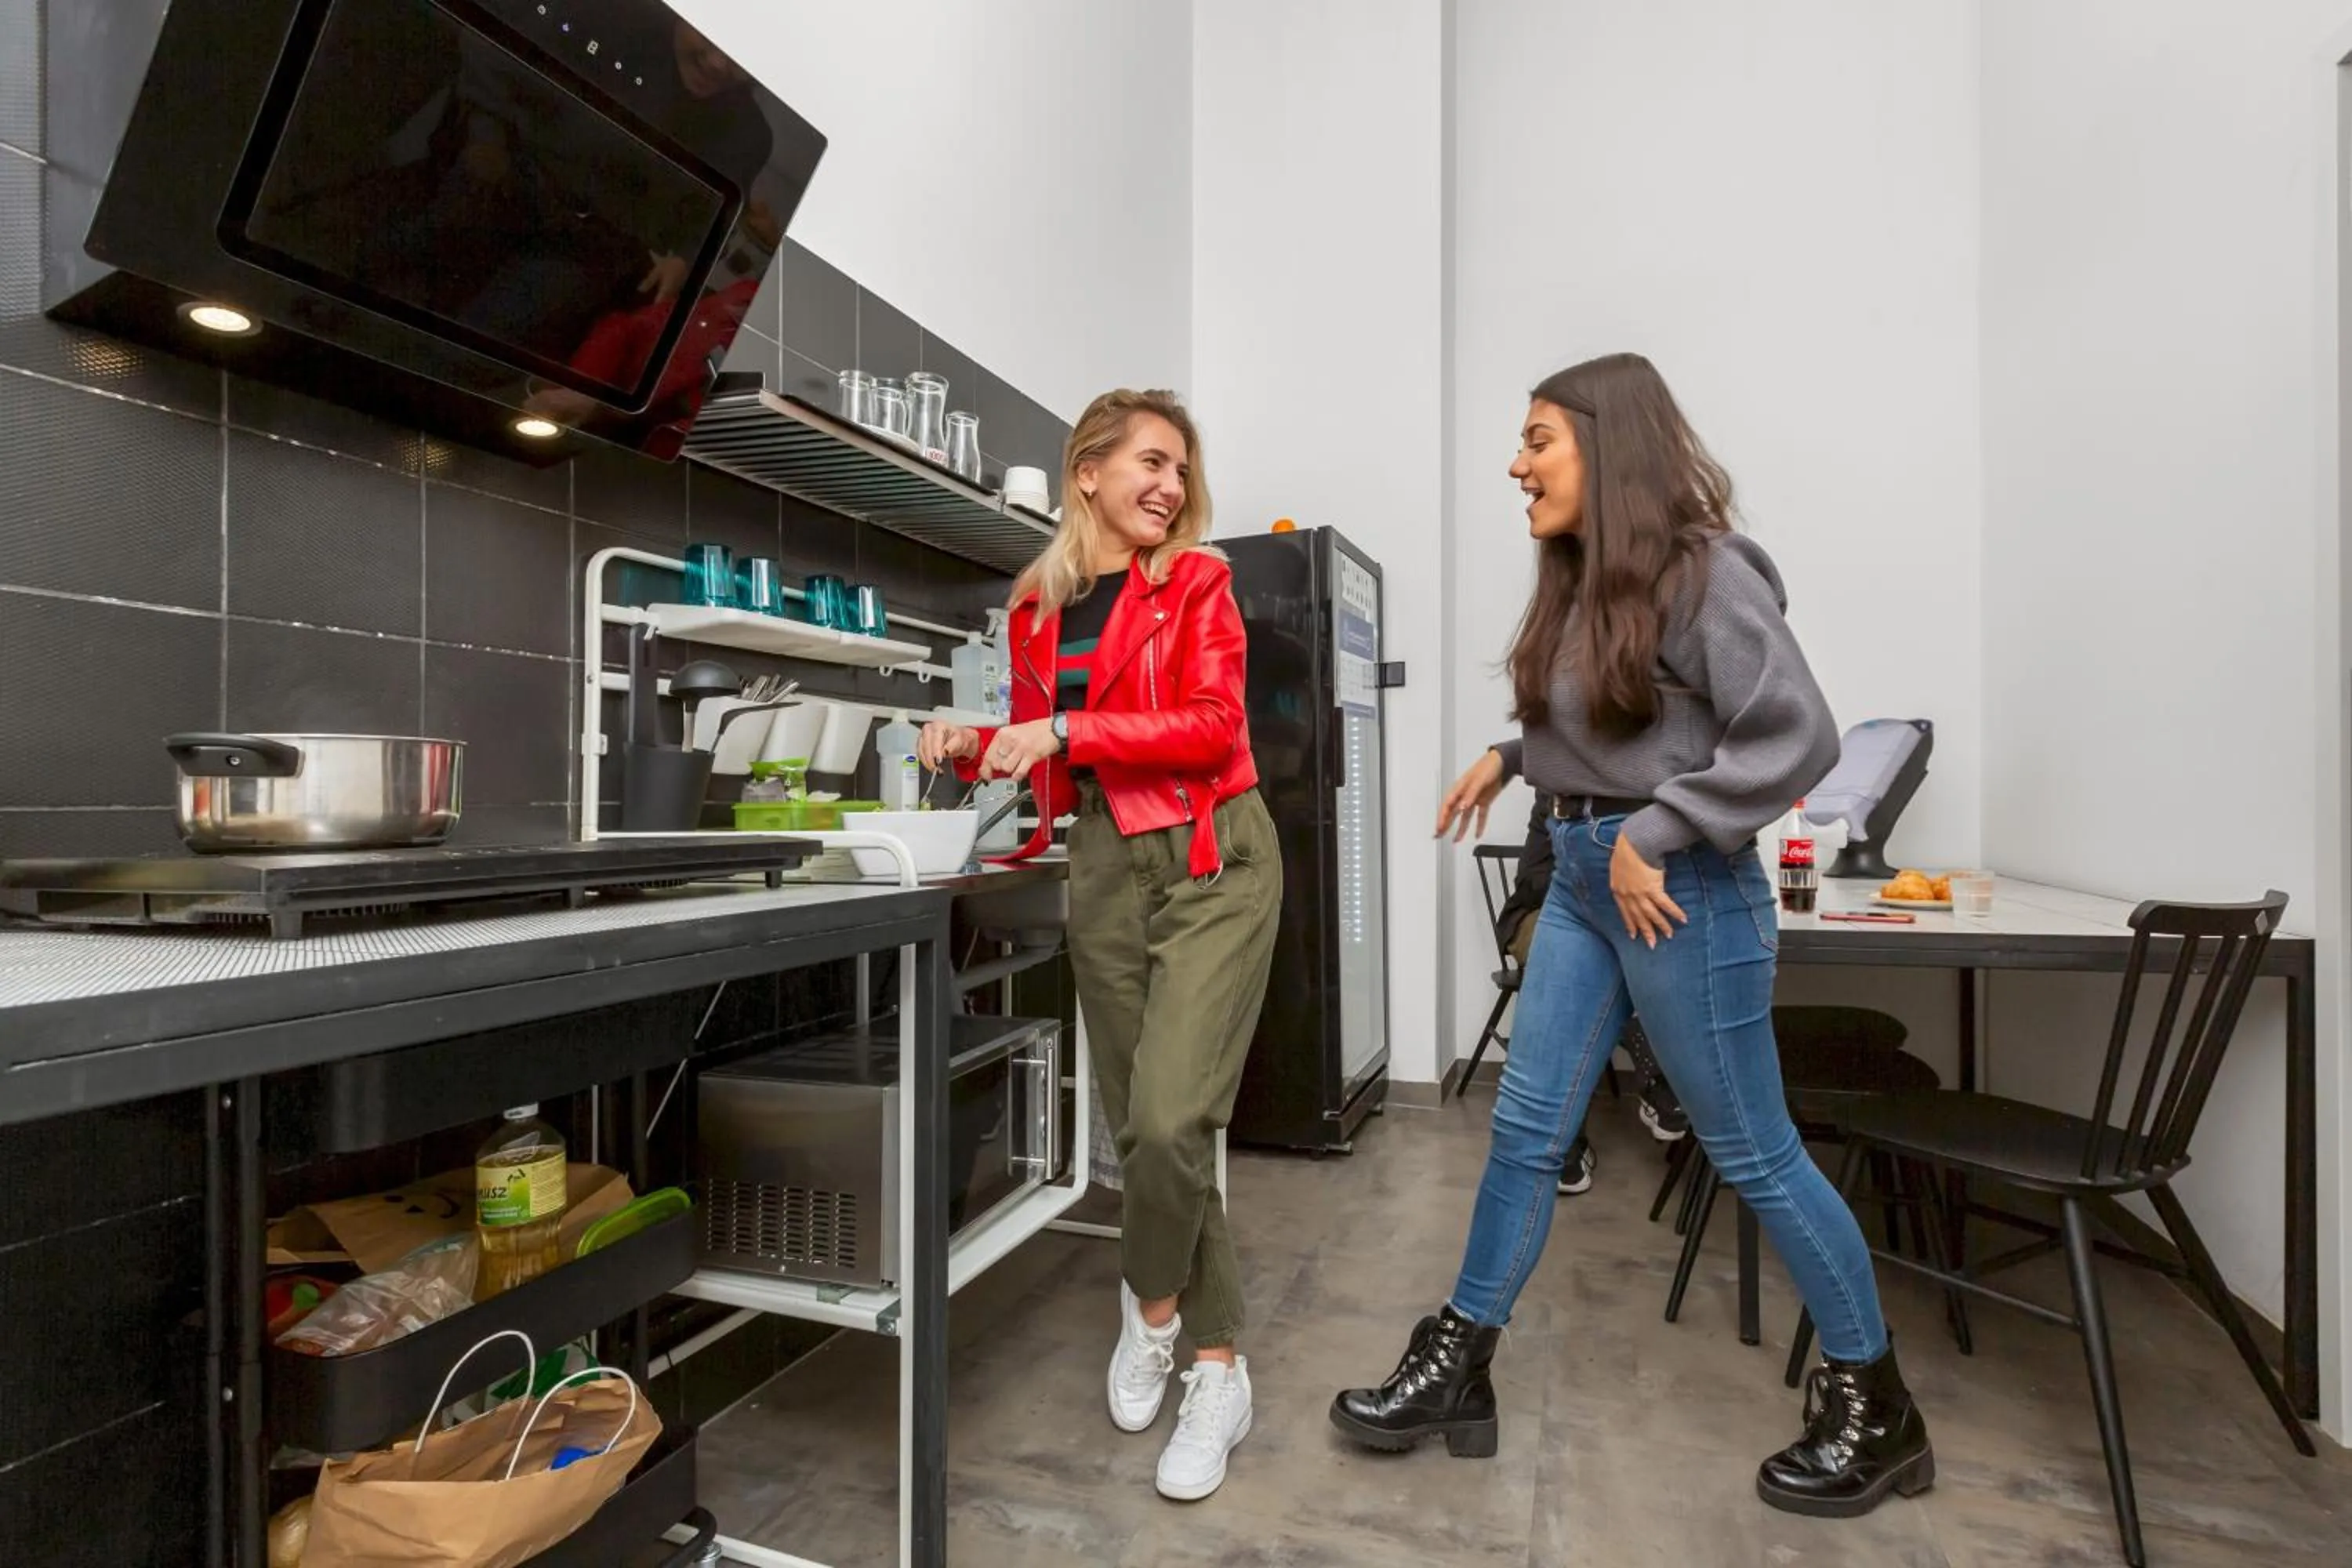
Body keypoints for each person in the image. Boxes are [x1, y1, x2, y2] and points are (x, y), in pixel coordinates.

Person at [1330, 354, 1933, 1519]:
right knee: (1524, 1131)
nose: (1517, 462)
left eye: (1538, 438)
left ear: (1609, 448)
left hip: (1681, 894)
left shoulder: (1703, 573)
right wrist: (1511, 759)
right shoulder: (1584, 585)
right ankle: (1461, 1362)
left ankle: (1879, 1405)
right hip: (1589, 886)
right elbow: (1615, 731)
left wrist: (1658, 833)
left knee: (1753, 1152)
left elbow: (1795, 734)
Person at [920, 389, 1279, 1503]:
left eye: (1181, 468)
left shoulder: (1200, 582)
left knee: (1175, 1116)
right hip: (1104, 865)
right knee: (1141, 1126)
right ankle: (1222, 1365)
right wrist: (973, 739)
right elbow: (1045, 754)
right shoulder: (1036, 608)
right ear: (1087, 473)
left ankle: (1160, 1311)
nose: (1171, 487)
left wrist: (1066, 727)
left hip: (1213, 855)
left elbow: (1215, 725)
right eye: (1151, 464)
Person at [1493, 789, 1690, 1197]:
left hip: (1622, 921)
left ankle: (1662, 1083)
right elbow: (1530, 881)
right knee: (1583, 959)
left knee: (1649, 946)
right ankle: (1650, 1082)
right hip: (1540, 915)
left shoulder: (1652, 806)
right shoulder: (1554, 799)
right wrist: (1601, 873)